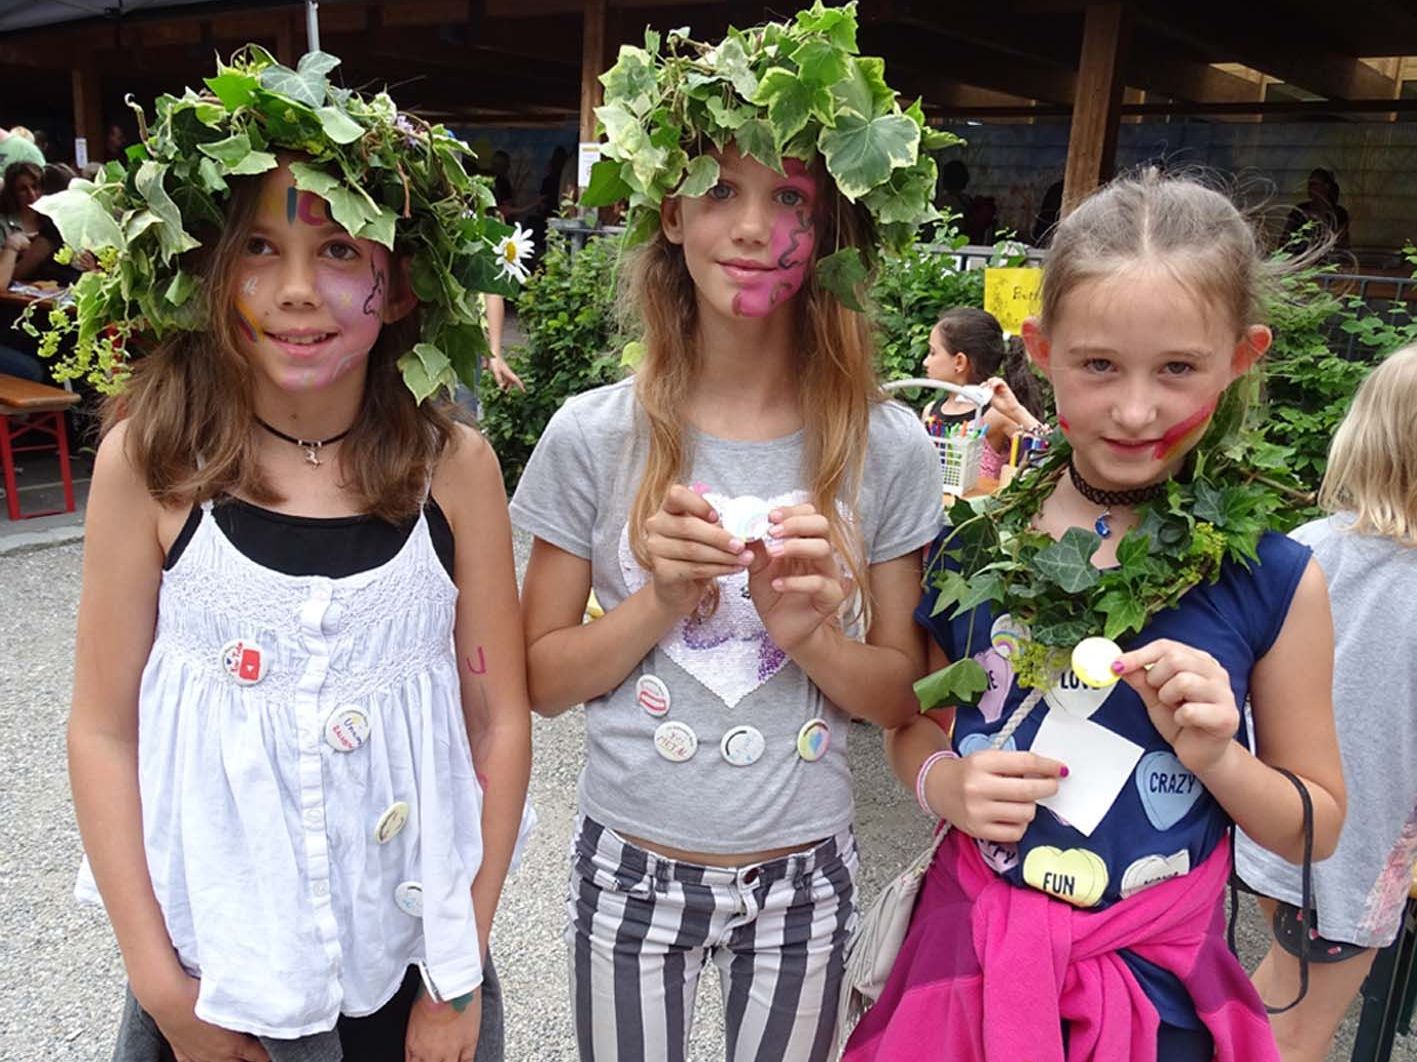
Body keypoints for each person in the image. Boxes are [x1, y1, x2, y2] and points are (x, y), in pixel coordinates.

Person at [62, 47, 531, 1062]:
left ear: (400, 285)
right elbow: (102, 729)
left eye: (341, 252)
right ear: (206, 270)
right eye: (259, 250)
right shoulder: (150, 464)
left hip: (412, 974)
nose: (299, 290)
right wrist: (164, 989)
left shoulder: (456, 470)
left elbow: (495, 721)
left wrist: (458, 978)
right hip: (220, 975)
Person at [512, 9, 946, 1060]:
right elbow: (541, 679)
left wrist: (809, 636)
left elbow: (903, 695)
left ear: (829, 226)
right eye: (719, 189)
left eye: (789, 195)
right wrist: (655, 599)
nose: (752, 227)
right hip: (628, 867)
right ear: (668, 211)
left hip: (806, 875)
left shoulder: (885, 446)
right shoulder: (592, 434)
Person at [844, 171, 1347, 1062]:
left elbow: (1315, 823)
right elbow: (913, 726)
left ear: (1242, 354)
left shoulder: (1274, 578)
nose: (1135, 408)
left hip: (1158, 997)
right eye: (1098, 365)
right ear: (1038, 350)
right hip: (965, 966)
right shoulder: (971, 550)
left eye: (1179, 368)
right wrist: (944, 786)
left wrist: (1219, 758)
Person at [1237, 343, 1417, 1062]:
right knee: (1294, 1034)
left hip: (1279, 827)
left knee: (1274, 1002)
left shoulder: (1306, 547)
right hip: (1360, 854)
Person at [919, 306, 1046, 480]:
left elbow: (1049, 453)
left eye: (933, 352)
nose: (926, 362)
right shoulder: (930, 411)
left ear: (960, 361)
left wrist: (1016, 411)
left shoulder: (995, 415)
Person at [1283, 168, 1349, 252]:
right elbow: (1286, 237)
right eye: (1309, 184)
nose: (1310, 188)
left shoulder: (1339, 213)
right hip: (1301, 258)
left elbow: (1340, 241)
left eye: (1314, 184)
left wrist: (1321, 219)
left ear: (1326, 186)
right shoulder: (1300, 210)